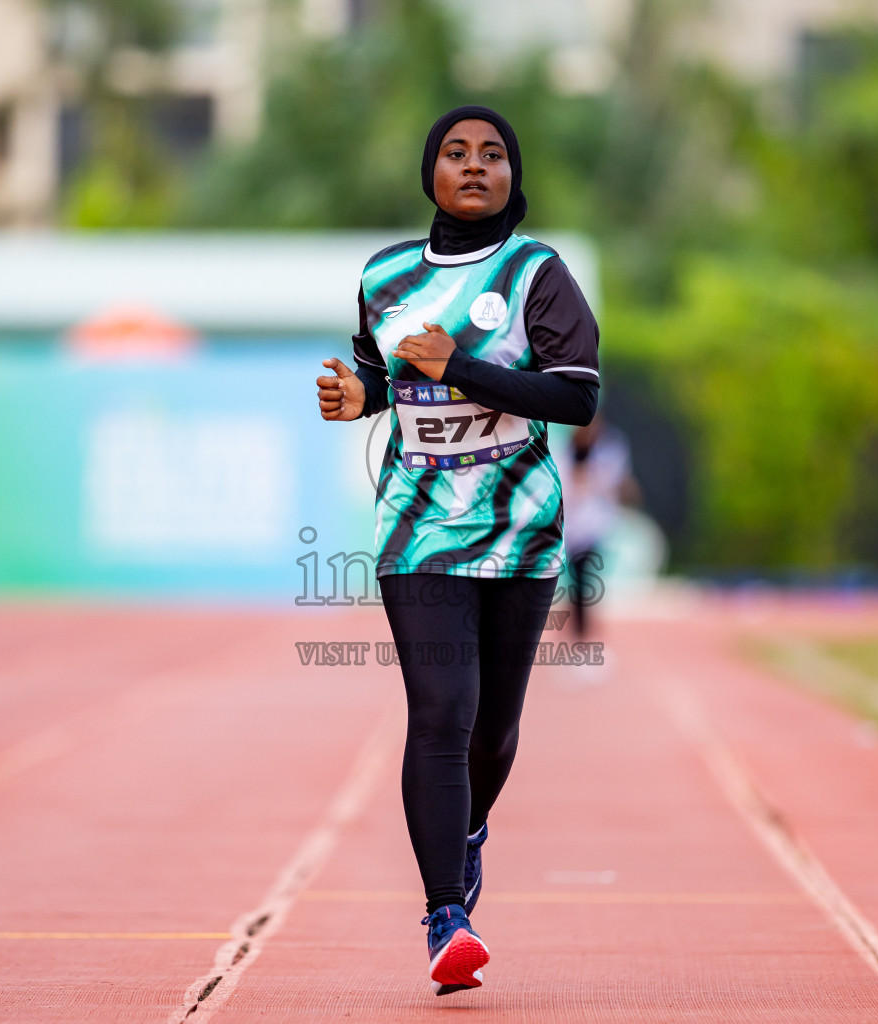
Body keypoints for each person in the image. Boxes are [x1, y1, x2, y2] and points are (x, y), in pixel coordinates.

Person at [315, 105, 599, 996]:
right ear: (429, 171)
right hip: (418, 521)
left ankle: (467, 834)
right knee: (443, 710)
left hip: (519, 525)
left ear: (514, 176)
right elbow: (381, 371)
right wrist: (354, 393)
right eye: (455, 152)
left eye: (493, 155)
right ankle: (447, 915)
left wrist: (460, 368)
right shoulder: (385, 275)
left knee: (495, 731)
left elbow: (576, 399)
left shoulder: (536, 274)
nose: (474, 166)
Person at [557, 413, 639, 646]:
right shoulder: (566, 450)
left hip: (595, 525)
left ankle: (583, 633)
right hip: (572, 526)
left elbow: (613, 480)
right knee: (576, 582)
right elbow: (566, 484)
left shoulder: (608, 449)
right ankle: (578, 632)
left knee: (586, 580)